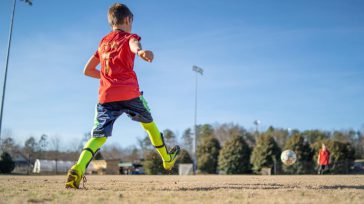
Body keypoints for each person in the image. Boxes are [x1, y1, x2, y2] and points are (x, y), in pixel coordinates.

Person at [65, 3, 180, 189]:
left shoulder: (102, 43)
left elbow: (87, 70)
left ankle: (78, 168)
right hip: (129, 93)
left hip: (106, 95)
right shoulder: (129, 37)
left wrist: (107, 76)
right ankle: (167, 160)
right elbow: (134, 44)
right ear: (128, 20)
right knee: (149, 125)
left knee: (99, 135)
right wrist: (141, 51)